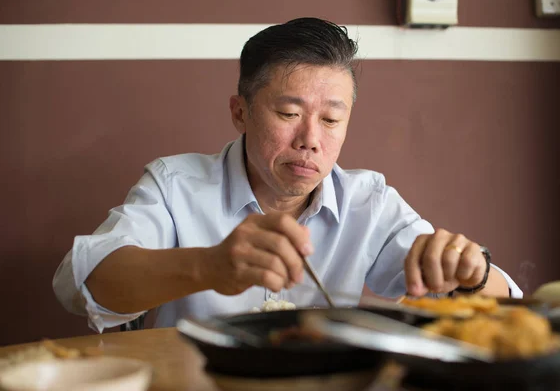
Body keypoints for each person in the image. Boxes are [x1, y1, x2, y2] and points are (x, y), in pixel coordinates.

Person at [53, 17, 522, 333]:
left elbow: (505, 302)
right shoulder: (176, 185)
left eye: (332, 120)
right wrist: (210, 266)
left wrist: (472, 274)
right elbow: (85, 285)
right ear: (240, 112)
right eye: (288, 112)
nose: (311, 139)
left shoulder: (369, 201)